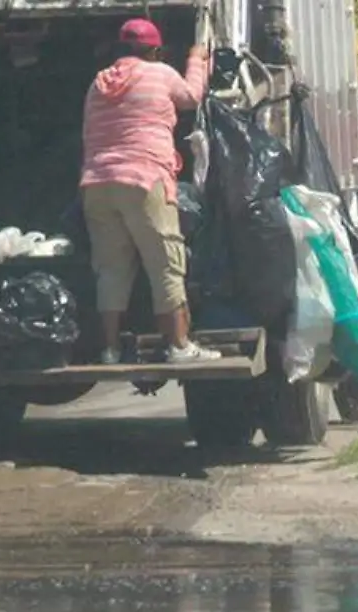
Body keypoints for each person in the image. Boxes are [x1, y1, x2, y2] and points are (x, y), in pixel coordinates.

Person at [79, 16, 214, 366]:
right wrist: (197, 59)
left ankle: (109, 349)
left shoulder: (98, 83)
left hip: (97, 182)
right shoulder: (160, 73)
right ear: (154, 49)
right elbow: (191, 97)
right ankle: (180, 345)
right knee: (165, 261)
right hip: (143, 178)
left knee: (110, 267)